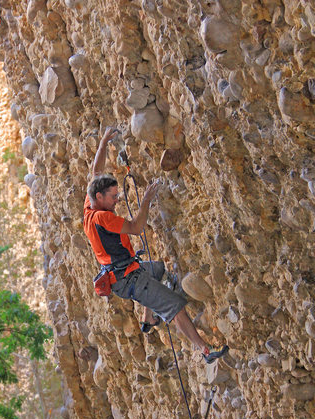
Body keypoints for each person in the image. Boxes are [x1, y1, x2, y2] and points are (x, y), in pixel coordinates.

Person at [83, 127, 228, 364]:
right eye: (112, 196)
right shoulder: (103, 217)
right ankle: (204, 350)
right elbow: (135, 228)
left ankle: (148, 318)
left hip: (122, 273)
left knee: (159, 270)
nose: (117, 199)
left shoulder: (89, 206)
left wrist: (102, 145)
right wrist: (147, 200)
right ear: (100, 198)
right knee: (174, 306)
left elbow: (95, 172)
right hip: (128, 279)